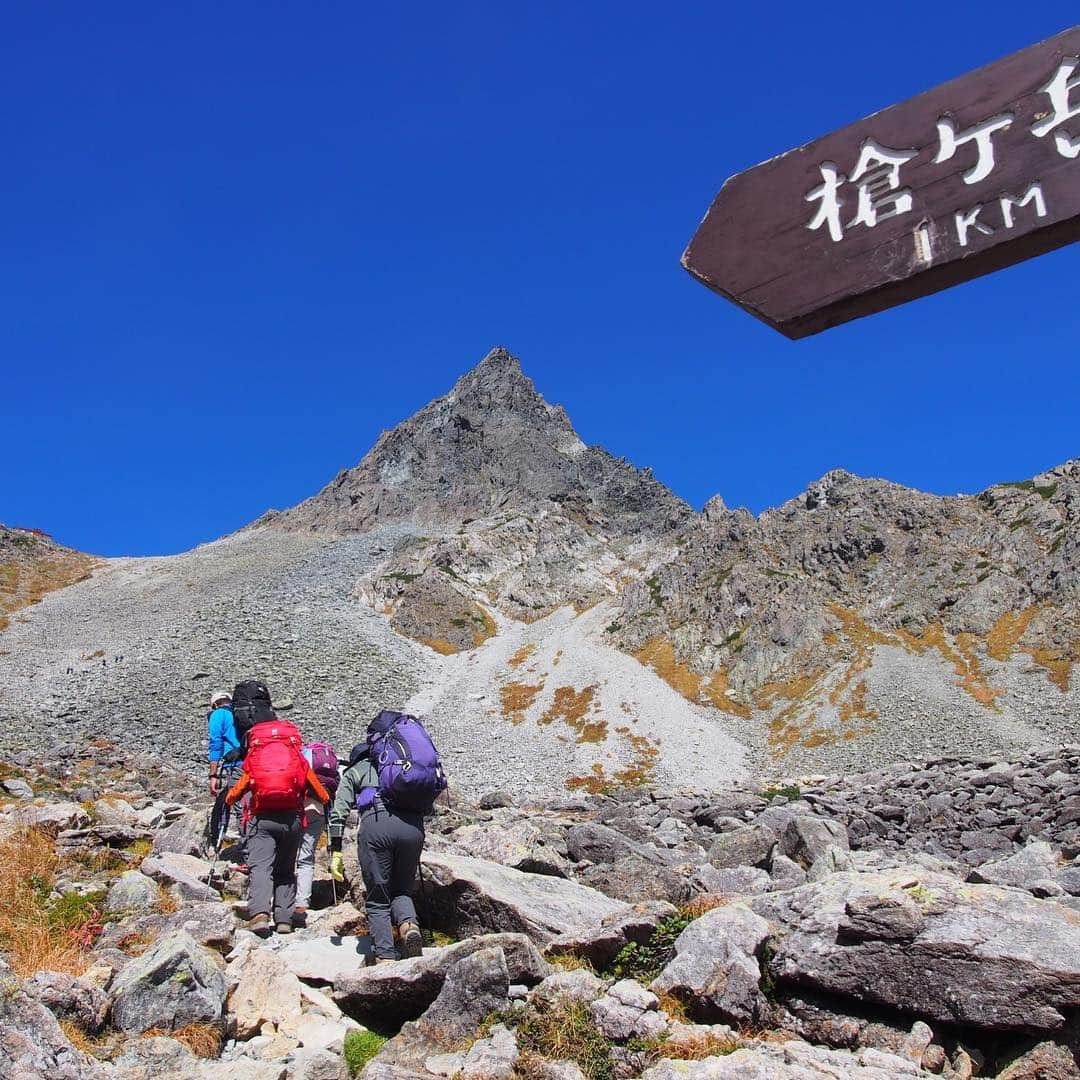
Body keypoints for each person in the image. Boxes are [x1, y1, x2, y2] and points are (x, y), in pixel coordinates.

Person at [225, 705, 330, 937]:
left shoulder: (256, 757)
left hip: (262, 819)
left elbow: (239, 789)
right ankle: (284, 920)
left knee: (261, 867)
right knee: (285, 869)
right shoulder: (296, 758)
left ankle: (260, 914)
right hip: (292, 821)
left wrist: (229, 800)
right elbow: (322, 794)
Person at [328, 741, 425, 963]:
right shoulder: (402, 767)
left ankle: (385, 955)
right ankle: (409, 927)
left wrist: (336, 849)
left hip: (376, 826)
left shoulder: (356, 771)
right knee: (401, 890)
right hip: (412, 829)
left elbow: (339, 810)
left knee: (378, 897)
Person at [295, 742, 340, 927]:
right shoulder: (330, 764)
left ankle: (281, 899)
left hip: (299, 807)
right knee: (306, 858)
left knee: (288, 854)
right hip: (319, 810)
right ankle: (301, 904)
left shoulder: (302, 756)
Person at [207, 691, 241, 796]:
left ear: (215, 704)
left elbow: (216, 744)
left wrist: (213, 775)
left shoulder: (218, 714)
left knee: (240, 803)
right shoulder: (244, 713)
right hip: (256, 760)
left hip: (236, 763)